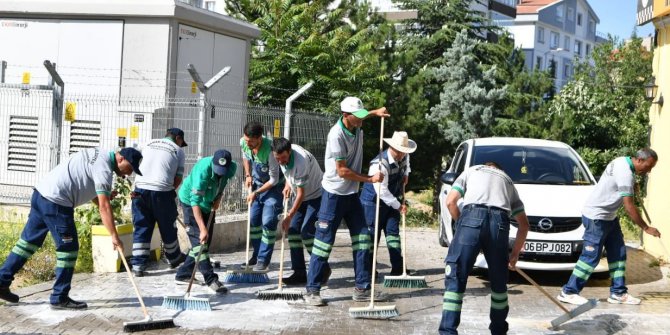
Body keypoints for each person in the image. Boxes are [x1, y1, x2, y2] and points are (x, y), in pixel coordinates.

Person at [0, 147, 143, 309]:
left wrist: (103, 195)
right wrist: (114, 236)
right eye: (129, 169)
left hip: (41, 194)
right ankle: (59, 297)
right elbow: (104, 206)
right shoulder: (104, 169)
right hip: (57, 202)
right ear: (121, 159)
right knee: (68, 249)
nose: (127, 174)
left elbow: (94, 193)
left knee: (27, 244)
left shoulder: (98, 155)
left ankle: (1, 282)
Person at [303, 96, 390, 306]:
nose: (361, 120)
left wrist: (375, 112)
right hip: (333, 194)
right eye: (357, 116)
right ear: (345, 115)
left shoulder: (356, 123)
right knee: (323, 243)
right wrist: (369, 179)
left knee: (363, 239)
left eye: (362, 116)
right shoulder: (336, 135)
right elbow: (342, 171)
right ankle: (312, 290)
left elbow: (361, 115)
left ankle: (362, 288)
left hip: (352, 196)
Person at [557, 148, 660, 306]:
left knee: (618, 254)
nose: (649, 171)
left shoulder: (623, 161)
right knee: (590, 258)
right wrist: (646, 228)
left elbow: (615, 184)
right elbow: (629, 206)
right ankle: (569, 292)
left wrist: (632, 186)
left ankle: (618, 293)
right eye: (648, 167)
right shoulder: (625, 173)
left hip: (609, 217)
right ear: (639, 160)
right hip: (597, 217)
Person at [439, 162, 530, 335]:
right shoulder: (508, 181)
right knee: (499, 284)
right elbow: (524, 225)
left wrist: (463, 229)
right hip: (500, 222)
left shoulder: (471, 171)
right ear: (498, 170)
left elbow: (450, 202)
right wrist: (514, 255)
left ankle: (448, 331)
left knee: (456, 276)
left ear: (486, 166)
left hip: (471, 217)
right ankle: (498, 330)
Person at [174, 149, 236, 294]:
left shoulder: (231, 168)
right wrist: (202, 228)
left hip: (208, 203)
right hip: (190, 203)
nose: (219, 173)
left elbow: (224, 182)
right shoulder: (203, 171)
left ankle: (183, 274)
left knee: (203, 244)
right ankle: (211, 279)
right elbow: (194, 202)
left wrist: (219, 198)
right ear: (212, 162)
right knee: (200, 240)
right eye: (217, 170)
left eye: (223, 170)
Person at [130, 128, 188, 277]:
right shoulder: (178, 151)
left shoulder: (148, 143)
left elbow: (132, 159)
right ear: (178, 138)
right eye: (182, 142)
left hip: (139, 190)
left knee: (142, 226)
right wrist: (168, 192)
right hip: (161, 191)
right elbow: (178, 178)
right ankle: (174, 258)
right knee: (168, 226)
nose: (181, 145)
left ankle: (138, 265)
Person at [359, 131, 416, 276]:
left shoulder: (404, 155)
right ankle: (369, 270)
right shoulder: (379, 165)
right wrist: (399, 206)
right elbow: (382, 191)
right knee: (372, 236)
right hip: (373, 202)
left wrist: (406, 175)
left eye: (405, 152)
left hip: (392, 200)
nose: (404, 155)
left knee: (393, 234)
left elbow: (407, 165)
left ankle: (398, 268)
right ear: (394, 149)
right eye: (402, 152)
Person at [271, 137, 325, 285]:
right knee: (294, 230)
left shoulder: (300, 161)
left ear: (290, 152)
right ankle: (300, 272)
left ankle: (322, 267)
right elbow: (289, 174)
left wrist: (289, 215)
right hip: (301, 195)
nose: (281, 161)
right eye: (278, 158)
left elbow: (301, 194)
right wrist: (288, 184)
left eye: (283, 158)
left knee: (306, 231)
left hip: (316, 195)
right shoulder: (282, 155)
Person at [240, 122, 284, 271]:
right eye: (246, 140)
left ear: (259, 138)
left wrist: (256, 193)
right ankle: (257, 254)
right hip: (256, 186)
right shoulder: (244, 142)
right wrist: (247, 175)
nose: (248, 143)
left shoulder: (270, 150)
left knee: (268, 221)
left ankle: (263, 260)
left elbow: (274, 179)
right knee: (253, 220)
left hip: (273, 188)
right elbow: (245, 156)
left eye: (251, 141)